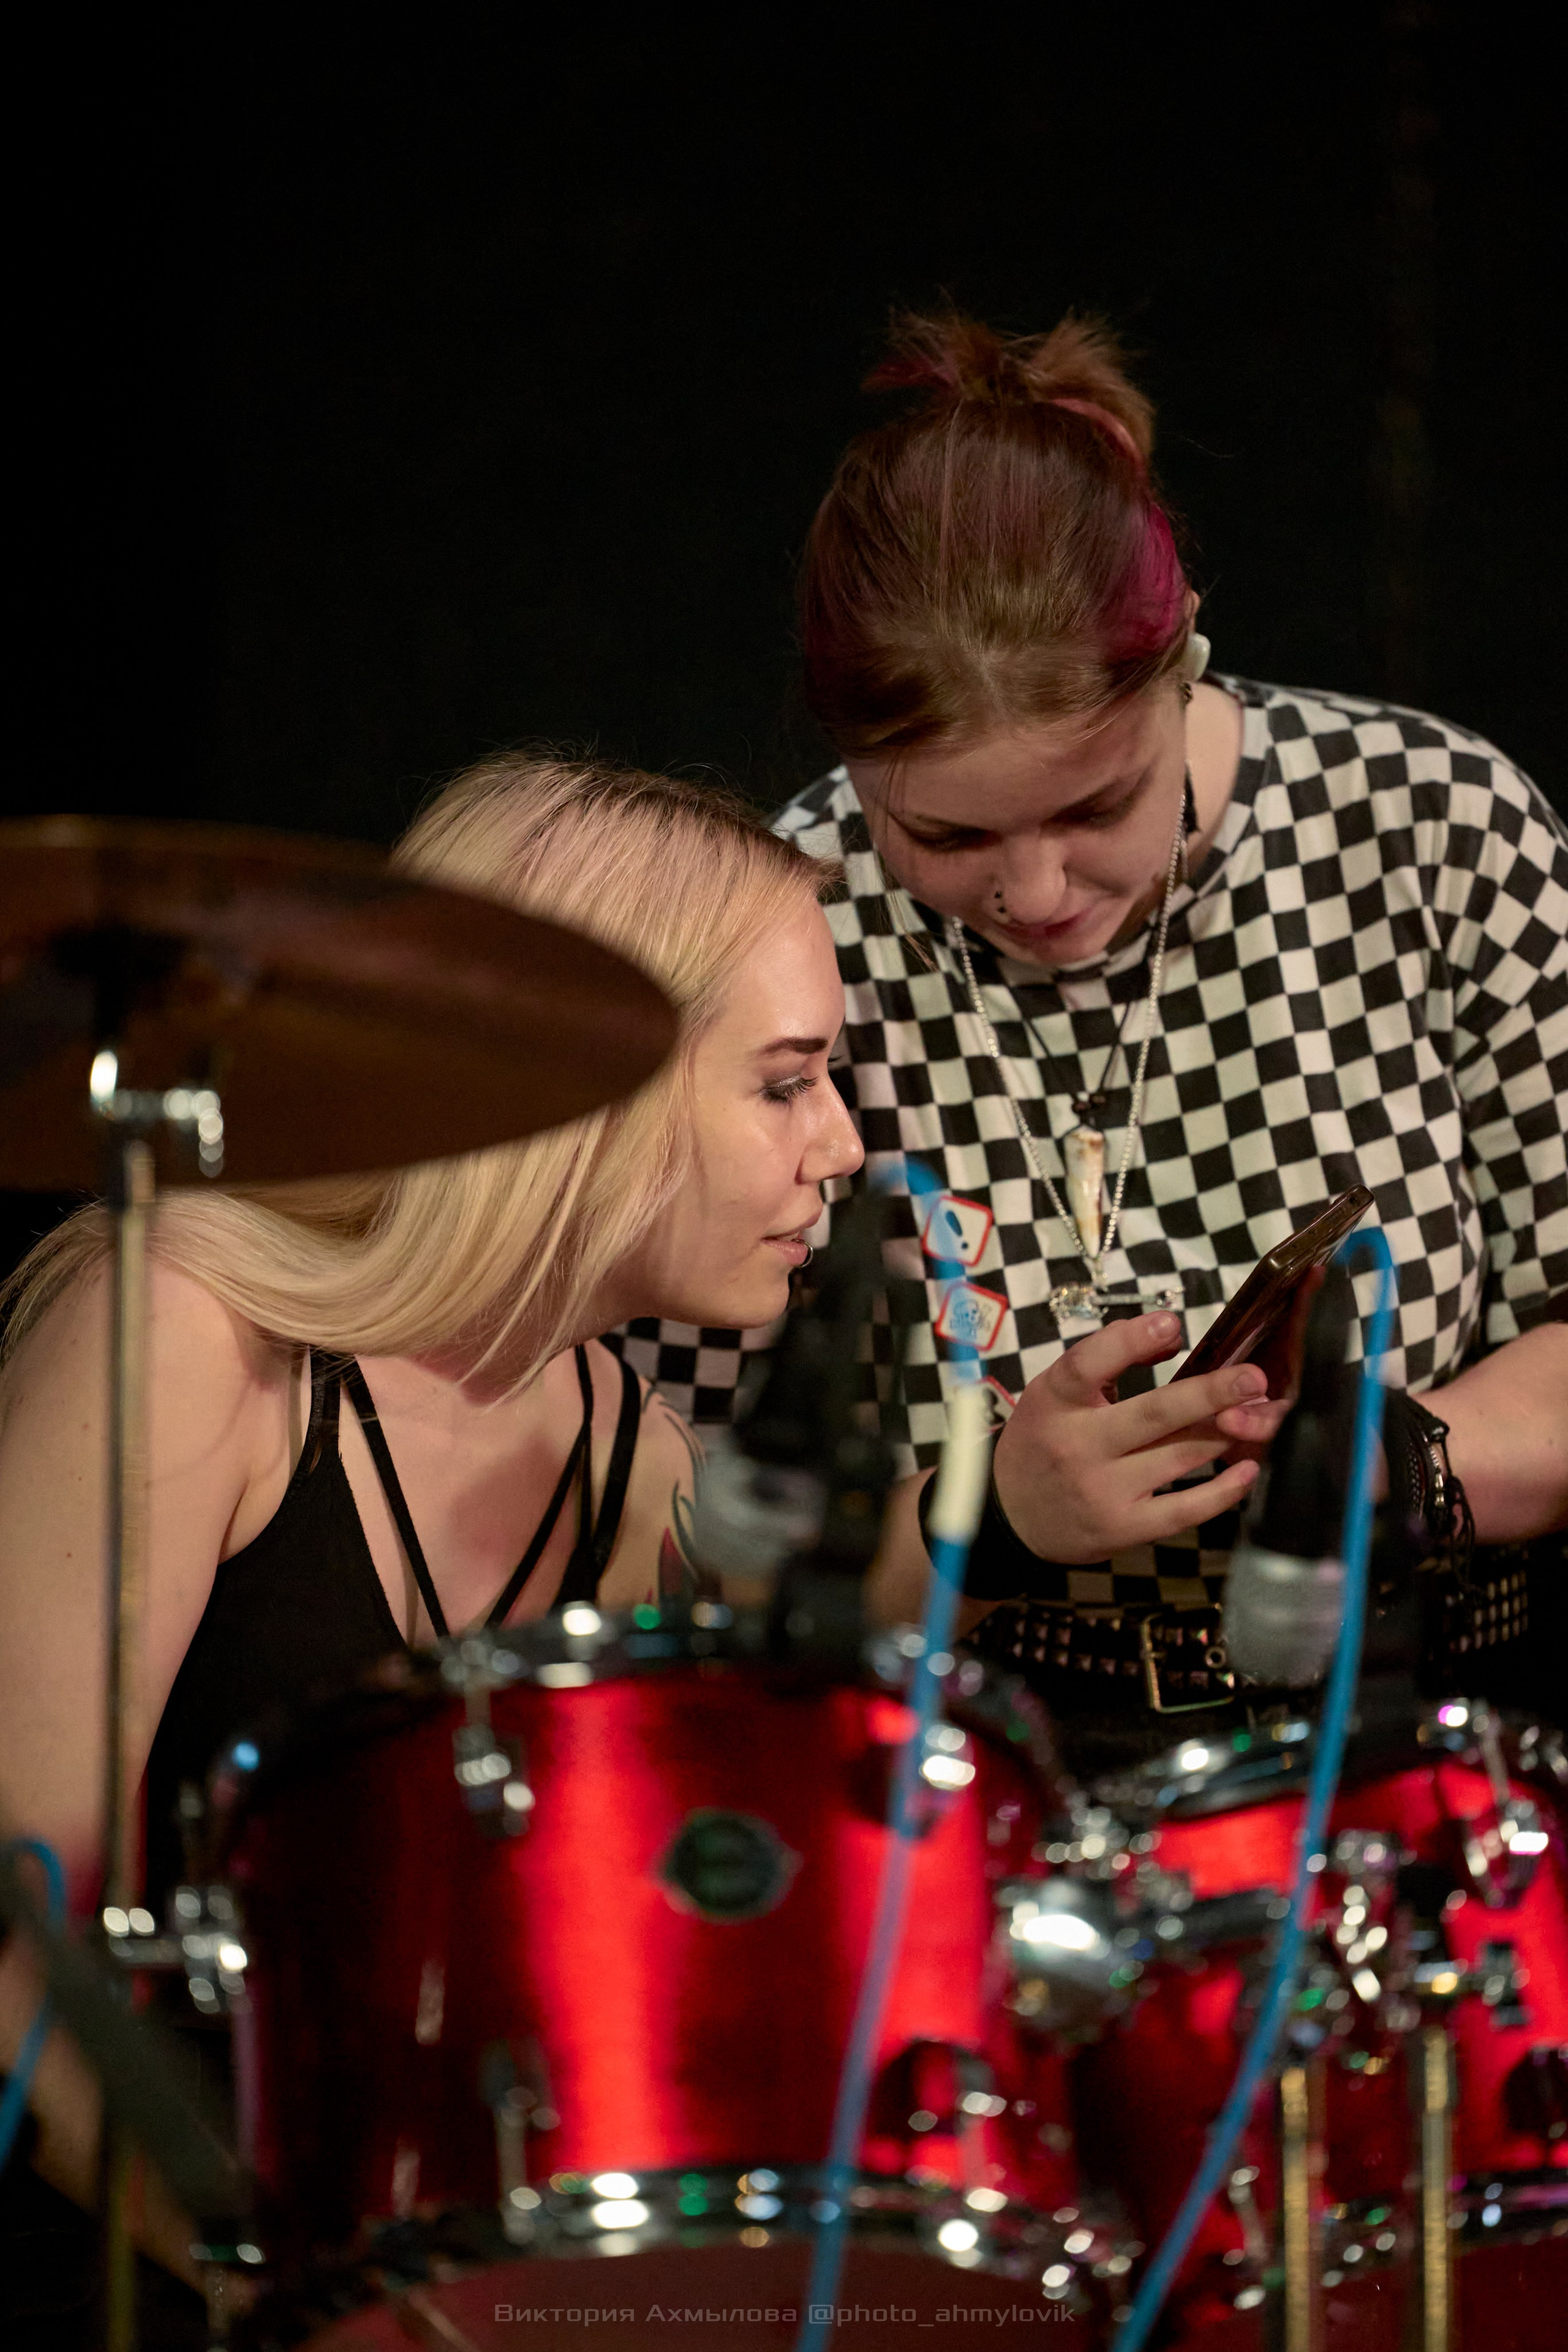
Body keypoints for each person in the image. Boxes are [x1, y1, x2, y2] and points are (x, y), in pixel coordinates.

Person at [617, 309, 1568, 1744]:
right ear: (847, 762)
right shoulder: (786, 918)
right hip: (978, 1770)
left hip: (1422, 1736)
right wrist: (989, 1513)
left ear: (1180, 659)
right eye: (944, 833)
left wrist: (1383, 1462)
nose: (1039, 893)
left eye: (1094, 807)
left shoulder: (1426, 826)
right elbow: (678, 1507)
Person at [0, 756, 862, 2310]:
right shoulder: (189, 1332)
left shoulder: (636, 1459)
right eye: (786, 1081)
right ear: (591, 1077)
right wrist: (281, 2293)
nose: (844, 1146)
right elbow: (16, 1944)